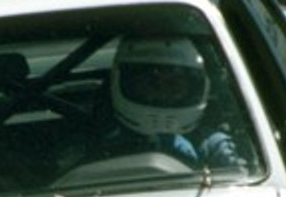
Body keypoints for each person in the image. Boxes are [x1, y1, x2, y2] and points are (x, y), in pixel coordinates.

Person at [101, 34, 246, 169]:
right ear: (123, 83)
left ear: (197, 88)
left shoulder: (213, 147)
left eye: (174, 85)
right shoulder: (102, 149)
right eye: (151, 84)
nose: (163, 95)